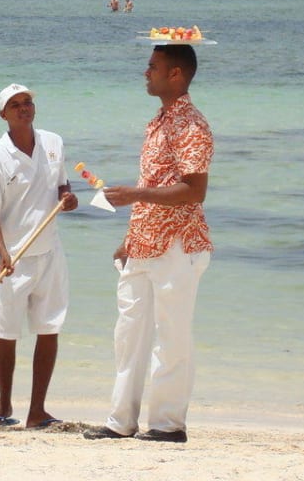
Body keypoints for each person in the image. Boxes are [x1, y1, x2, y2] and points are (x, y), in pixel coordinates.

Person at [84, 44, 213, 443]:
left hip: (178, 244)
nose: (146, 72)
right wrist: (130, 237)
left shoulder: (192, 126)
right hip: (143, 243)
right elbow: (156, 181)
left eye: (153, 66)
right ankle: (120, 420)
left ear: (175, 74)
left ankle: (168, 424)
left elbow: (194, 191)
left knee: (172, 335)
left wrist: (135, 195)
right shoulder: (158, 121)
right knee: (129, 334)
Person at [0, 83, 78, 428]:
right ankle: (4, 404)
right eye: (16, 104)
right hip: (11, 259)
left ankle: (37, 411)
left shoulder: (53, 143)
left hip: (49, 252)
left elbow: (62, 185)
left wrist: (67, 197)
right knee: (5, 332)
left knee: (49, 328)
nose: (24, 108)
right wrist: (3, 252)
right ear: (3, 114)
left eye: (28, 102)